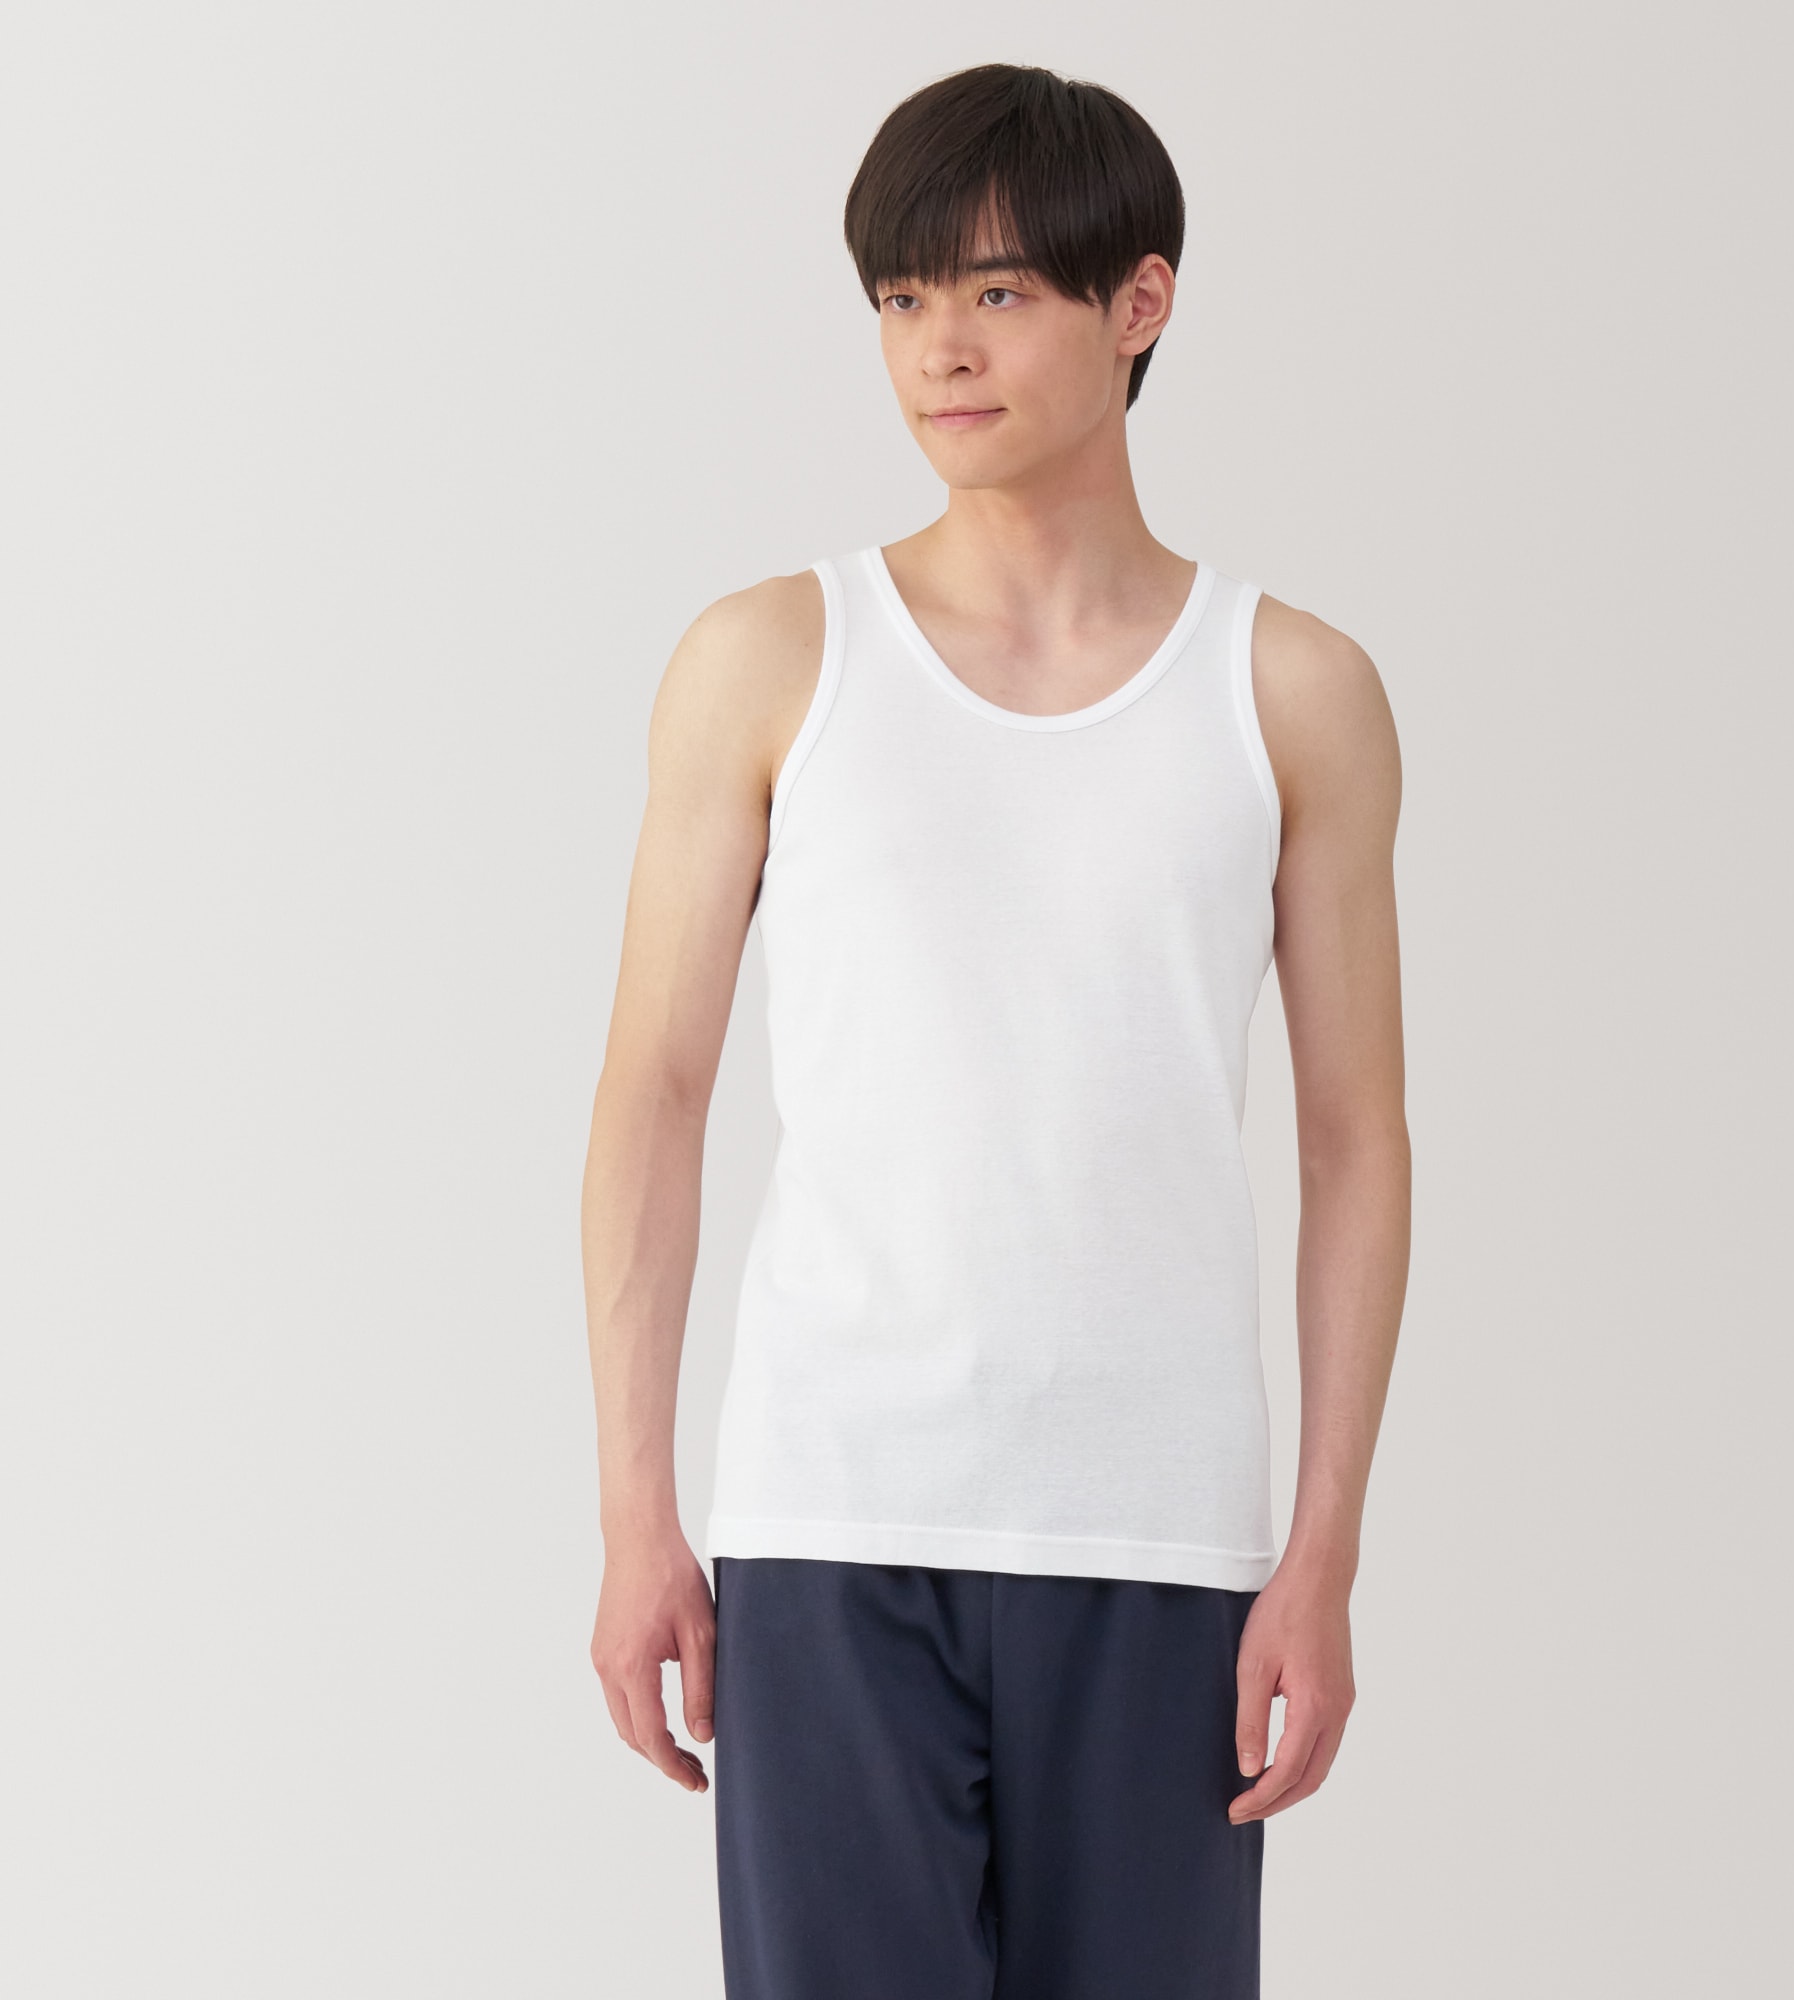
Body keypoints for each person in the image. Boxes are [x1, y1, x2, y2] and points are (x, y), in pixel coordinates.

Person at [580, 60, 1410, 2000]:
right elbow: (654, 1094)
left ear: (1140, 304)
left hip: (1162, 1545)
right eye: (900, 297)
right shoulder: (767, 660)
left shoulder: (1291, 691)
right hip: (830, 1520)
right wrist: (636, 1516)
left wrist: (1322, 1553)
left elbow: (1354, 1141)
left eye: (998, 292)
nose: (938, 348)